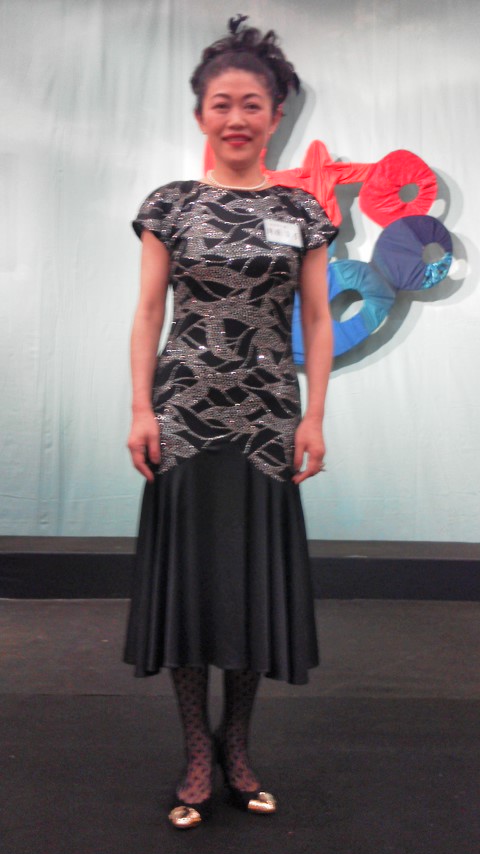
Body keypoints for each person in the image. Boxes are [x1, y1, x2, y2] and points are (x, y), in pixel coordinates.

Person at [124, 15, 338, 830]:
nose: (237, 118)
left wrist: (314, 416)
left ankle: (238, 746)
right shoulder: (169, 205)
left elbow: (316, 320)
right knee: (191, 587)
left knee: (249, 587)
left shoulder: (302, 209)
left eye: (253, 104)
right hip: (183, 415)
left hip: (268, 421)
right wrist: (141, 408)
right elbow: (149, 312)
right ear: (200, 116)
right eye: (222, 104)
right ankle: (196, 752)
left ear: (275, 116)